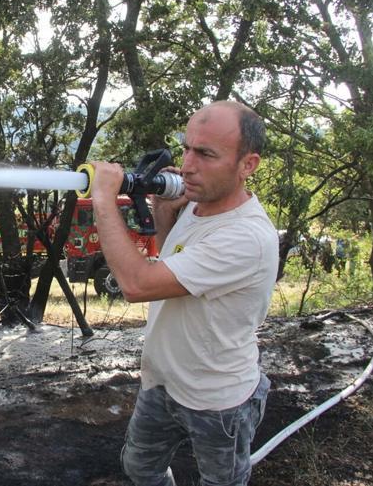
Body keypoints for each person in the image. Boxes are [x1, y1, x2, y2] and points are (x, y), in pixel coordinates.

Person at [89, 100, 279, 486]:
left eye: (206, 154)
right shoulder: (198, 205)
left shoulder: (246, 237)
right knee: (141, 468)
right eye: (187, 147)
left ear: (248, 165)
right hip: (162, 383)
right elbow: (175, 267)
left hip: (218, 400)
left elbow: (138, 284)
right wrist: (163, 211)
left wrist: (103, 200)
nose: (187, 165)